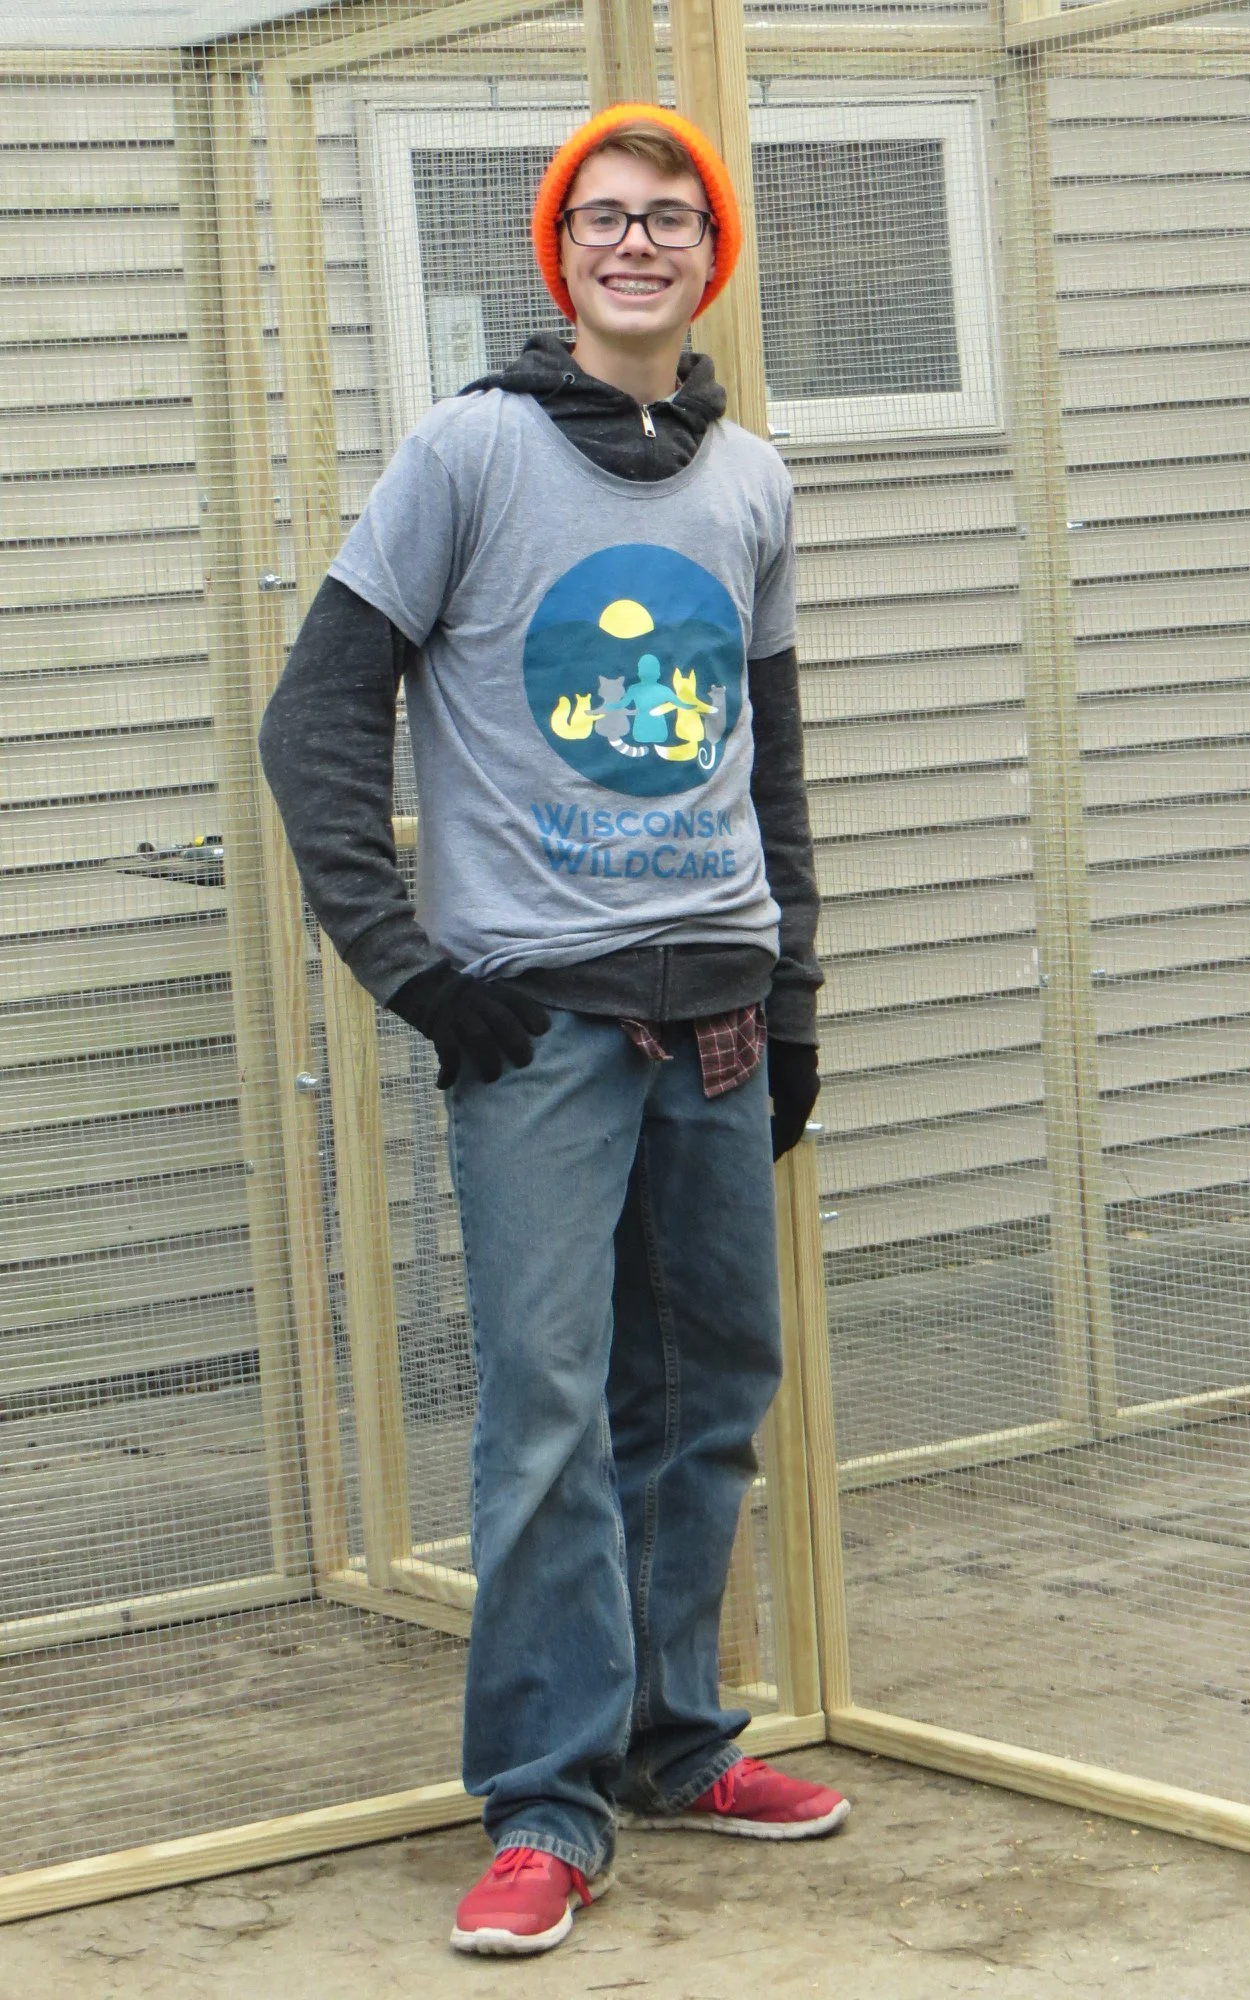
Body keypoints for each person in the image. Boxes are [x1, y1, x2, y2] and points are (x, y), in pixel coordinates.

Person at [259, 102, 849, 1959]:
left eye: (673, 218)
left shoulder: (747, 478)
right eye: (603, 218)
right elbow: (317, 721)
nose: (638, 243)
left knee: (711, 1404)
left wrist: (798, 987)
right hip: (545, 1030)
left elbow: (772, 764)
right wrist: (416, 971)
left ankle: (677, 1740)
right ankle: (542, 1798)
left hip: (724, 1014)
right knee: (548, 1419)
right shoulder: (469, 453)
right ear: (558, 251)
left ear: (713, 254)